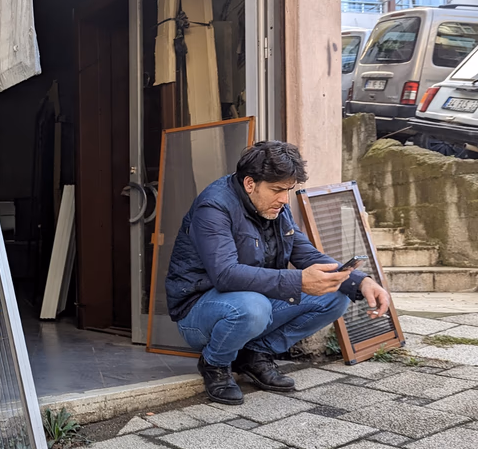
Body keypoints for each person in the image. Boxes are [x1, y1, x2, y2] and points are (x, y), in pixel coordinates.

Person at [165, 141, 391, 405]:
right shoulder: (213, 208)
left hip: (251, 301)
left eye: (288, 190)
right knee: (253, 307)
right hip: (199, 311)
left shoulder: (275, 208)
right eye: (277, 190)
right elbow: (225, 275)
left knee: (335, 297)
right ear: (250, 184)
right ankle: (215, 363)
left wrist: (360, 281)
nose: (285, 199)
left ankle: (254, 354)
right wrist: (299, 281)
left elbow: (306, 253)